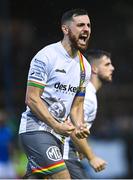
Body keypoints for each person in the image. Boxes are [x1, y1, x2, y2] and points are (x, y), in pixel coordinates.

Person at [18, 8, 92, 179]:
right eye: (80, 25)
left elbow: (77, 106)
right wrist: (56, 125)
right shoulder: (46, 56)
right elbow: (31, 98)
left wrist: (80, 125)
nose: (86, 29)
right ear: (65, 29)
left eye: (88, 25)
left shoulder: (85, 67)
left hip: (58, 137)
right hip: (36, 130)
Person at [63, 49, 115, 179]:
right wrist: (92, 157)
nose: (112, 68)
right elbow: (72, 129)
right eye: (107, 64)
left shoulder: (86, 92)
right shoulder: (88, 96)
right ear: (94, 69)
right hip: (65, 155)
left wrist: (81, 149)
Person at [0, 110, 17, 179]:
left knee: (12, 177)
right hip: (0, 162)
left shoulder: (8, 130)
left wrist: (14, 157)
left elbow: (10, 145)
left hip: (8, 161)